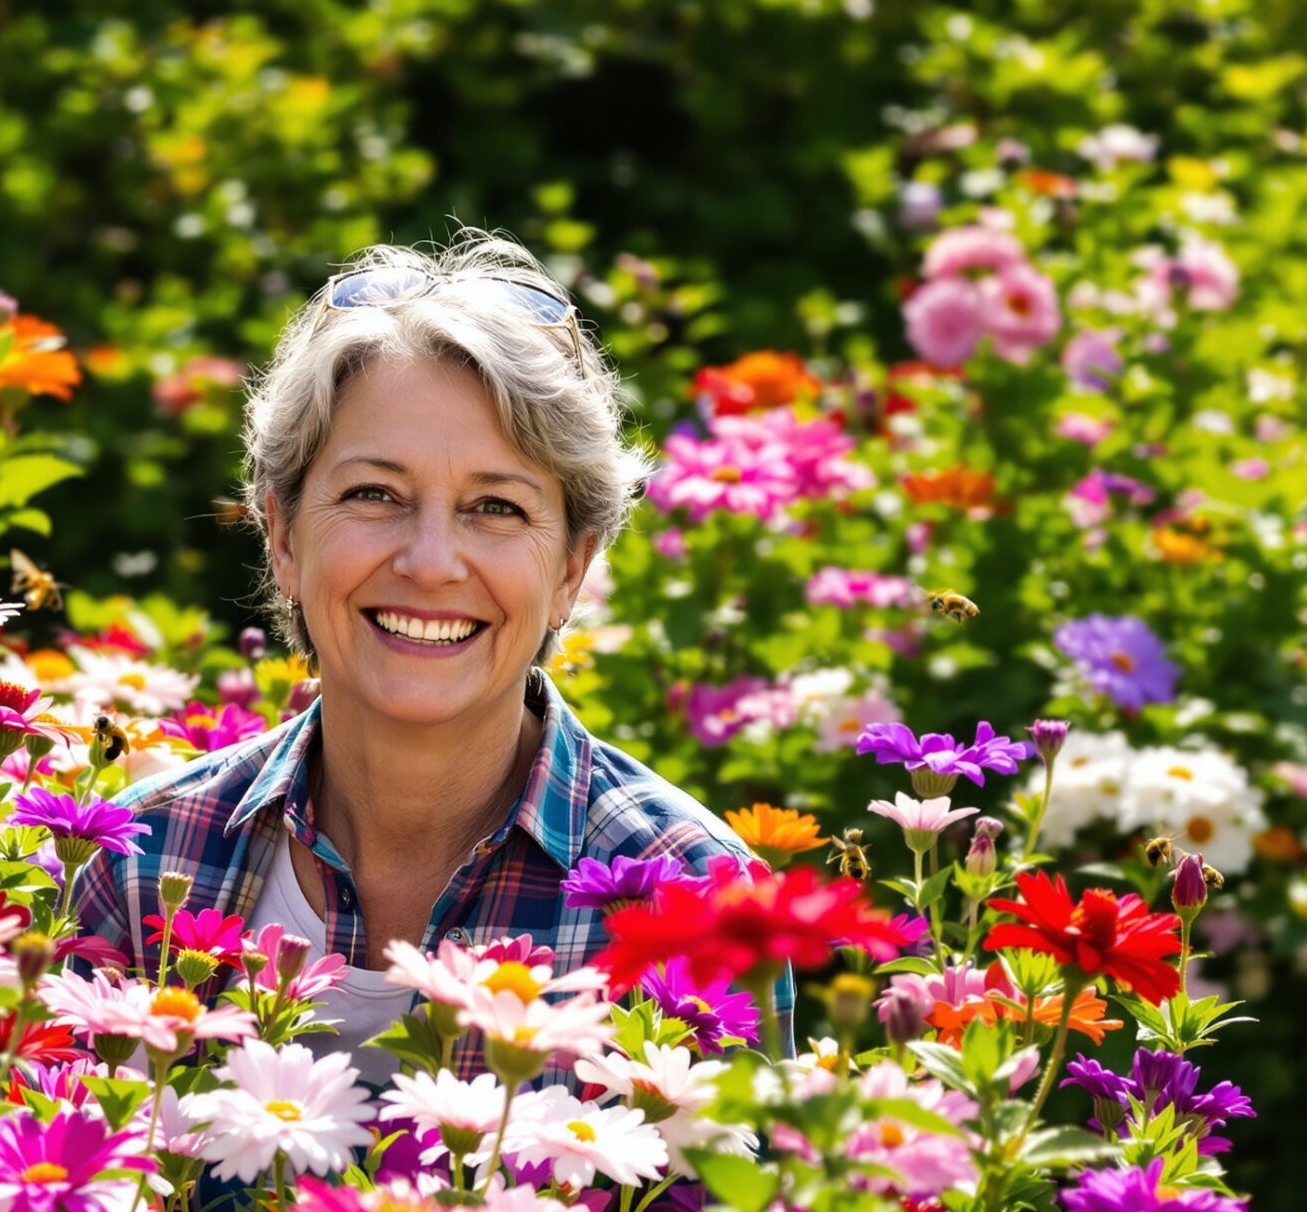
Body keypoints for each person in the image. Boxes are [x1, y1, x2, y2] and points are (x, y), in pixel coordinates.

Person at [67, 231, 790, 1083]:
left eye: (496, 507)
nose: (431, 560)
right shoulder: (144, 858)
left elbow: (745, 1208)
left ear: (571, 569)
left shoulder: (695, 896)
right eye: (375, 494)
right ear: (284, 535)